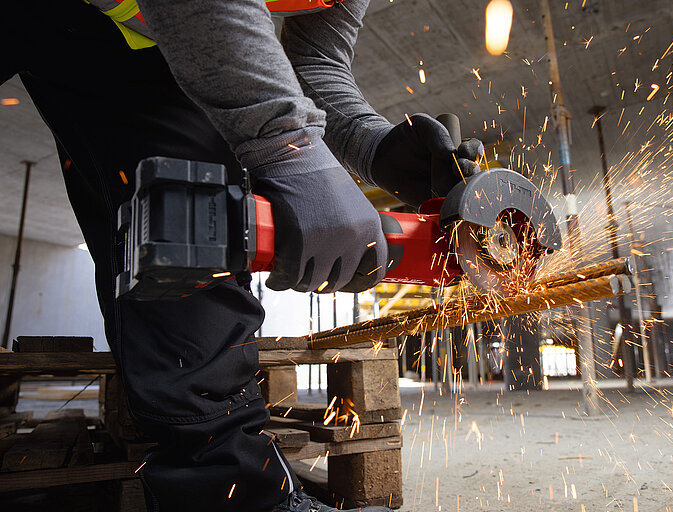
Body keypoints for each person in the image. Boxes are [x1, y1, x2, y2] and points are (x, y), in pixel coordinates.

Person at [1, 1, 482, 510]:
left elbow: (314, 62)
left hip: (135, 35)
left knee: (193, 193)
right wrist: (287, 147)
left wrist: (373, 143)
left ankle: (233, 491)